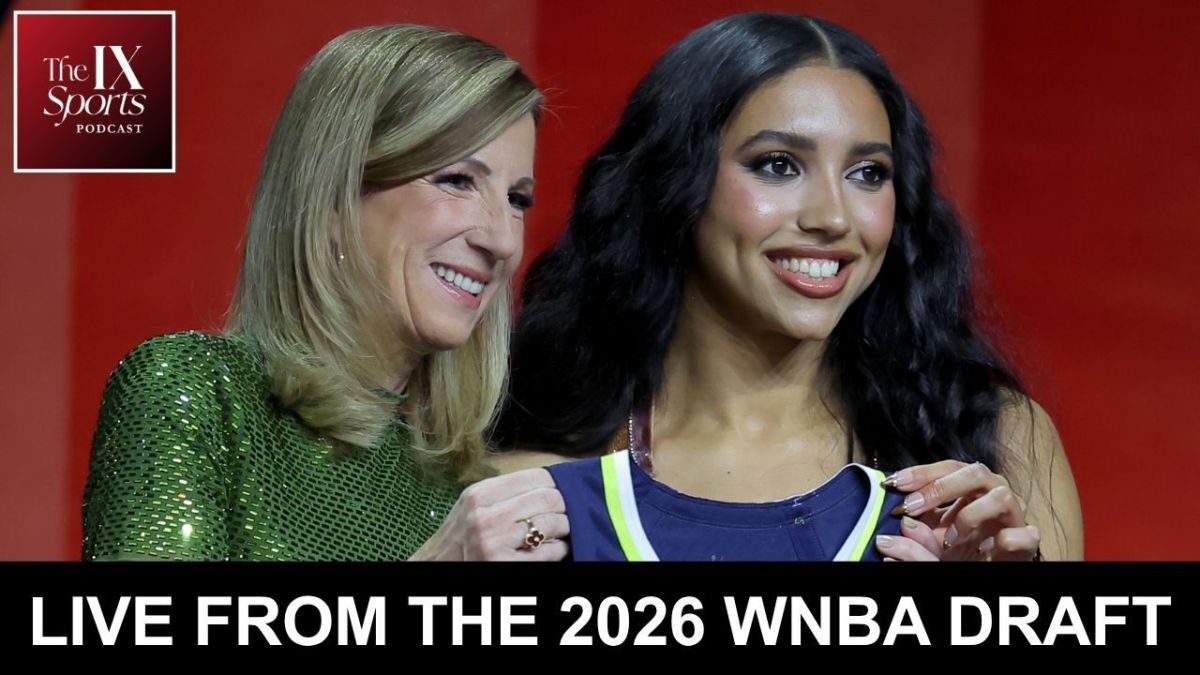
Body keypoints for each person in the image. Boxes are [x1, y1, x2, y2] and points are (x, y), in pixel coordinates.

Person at [493, 13, 1084, 561]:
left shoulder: (992, 446)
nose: (832, 217)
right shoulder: (532, 489)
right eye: (778, 164)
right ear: (673, 183)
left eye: (868, 174)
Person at [81, 24, 567, 561]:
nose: (502, 240)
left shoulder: (464, 493)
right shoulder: (193, 388)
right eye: (456, 180)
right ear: (333, 198)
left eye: (518, 199)